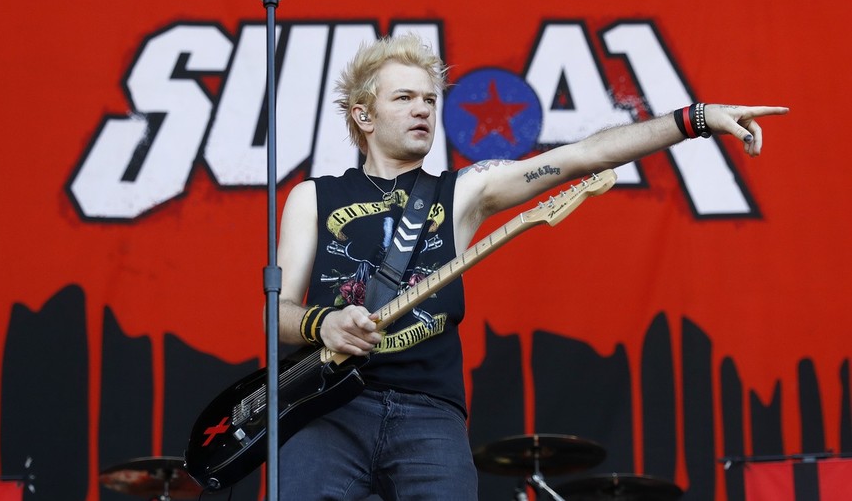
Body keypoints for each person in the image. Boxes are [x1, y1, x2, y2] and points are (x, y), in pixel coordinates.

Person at [276, 34, 787, 499]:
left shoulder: (463, 193)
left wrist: (694, 119)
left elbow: (583, 156)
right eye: (404, 98)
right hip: (327, 408)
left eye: (430, 100)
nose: (423, 110)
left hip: (427, 411)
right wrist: (325, 323)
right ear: (364, 115)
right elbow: (274, 317)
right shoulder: (312, 198)